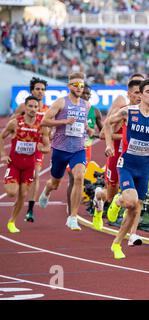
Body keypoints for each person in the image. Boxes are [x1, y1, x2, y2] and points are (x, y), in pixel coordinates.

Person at [103, 78, 149, 259]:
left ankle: (117, 244)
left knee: (134, 209)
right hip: (127, 164)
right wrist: (109, 145)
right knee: (130, 202)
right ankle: (117, 201)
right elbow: (107, 124)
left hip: (144, 166)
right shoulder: (128, 112)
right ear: (141, 94)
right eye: (148, 92)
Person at [38, 72, 90, 231]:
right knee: (55, 183)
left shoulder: (86, 105)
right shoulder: (61, 102)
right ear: (69, 86)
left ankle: (72, 217)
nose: (79, 88)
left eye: (81, 85)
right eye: (76, 85)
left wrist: (89, 129)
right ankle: (47, 190)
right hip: (60, 149)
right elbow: (44, 121)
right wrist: (64, 121)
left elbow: (82, 125)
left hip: (78, 149)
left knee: (79, 177)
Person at [0, 96, 50, 233]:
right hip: (14, 164)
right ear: (25, 107)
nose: (33, 109)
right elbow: (1, 137)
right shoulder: (15, 123)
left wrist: (42, 148)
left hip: (29, 166)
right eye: (30, 106)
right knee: (11, 192)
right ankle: (12, 217)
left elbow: (47, 146)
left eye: (35, 107)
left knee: (23, 194)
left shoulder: (41, 126)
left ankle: (12, 221)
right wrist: (3, 155)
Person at [102, 73, 145, 218]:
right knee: (110, 194)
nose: (140, 96)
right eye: (137, 93)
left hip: (133, 158)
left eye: (142, 92)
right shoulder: (123, 111)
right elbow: (103, 133)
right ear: (130, 94)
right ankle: (98, 197)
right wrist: (114, 142)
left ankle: (129, 229)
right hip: (116, 156)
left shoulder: (148, 112)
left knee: (133, 195)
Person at [66, 83, 104, 229]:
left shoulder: (95, 112)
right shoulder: (69, 108)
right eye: (84, 94)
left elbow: (101, 133)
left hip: (84, 149)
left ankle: (72, 215)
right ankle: (50, 191)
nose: (86, 97)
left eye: (89, 95)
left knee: (77, 178)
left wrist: (91, 133)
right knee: (68, 179)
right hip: (68, 147)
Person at [13, 77, 49, 223]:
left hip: (37, 148)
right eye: (37, 89)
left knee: (35, 175)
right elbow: (13, 123)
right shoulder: (23, 107)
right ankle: (19, 198)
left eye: (42, 89)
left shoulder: (47, 110)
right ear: (32, 90)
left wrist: (49, 135)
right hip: (21, 147)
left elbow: (50, 127)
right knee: (20, 181)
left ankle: (30, 210)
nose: (40, 92)